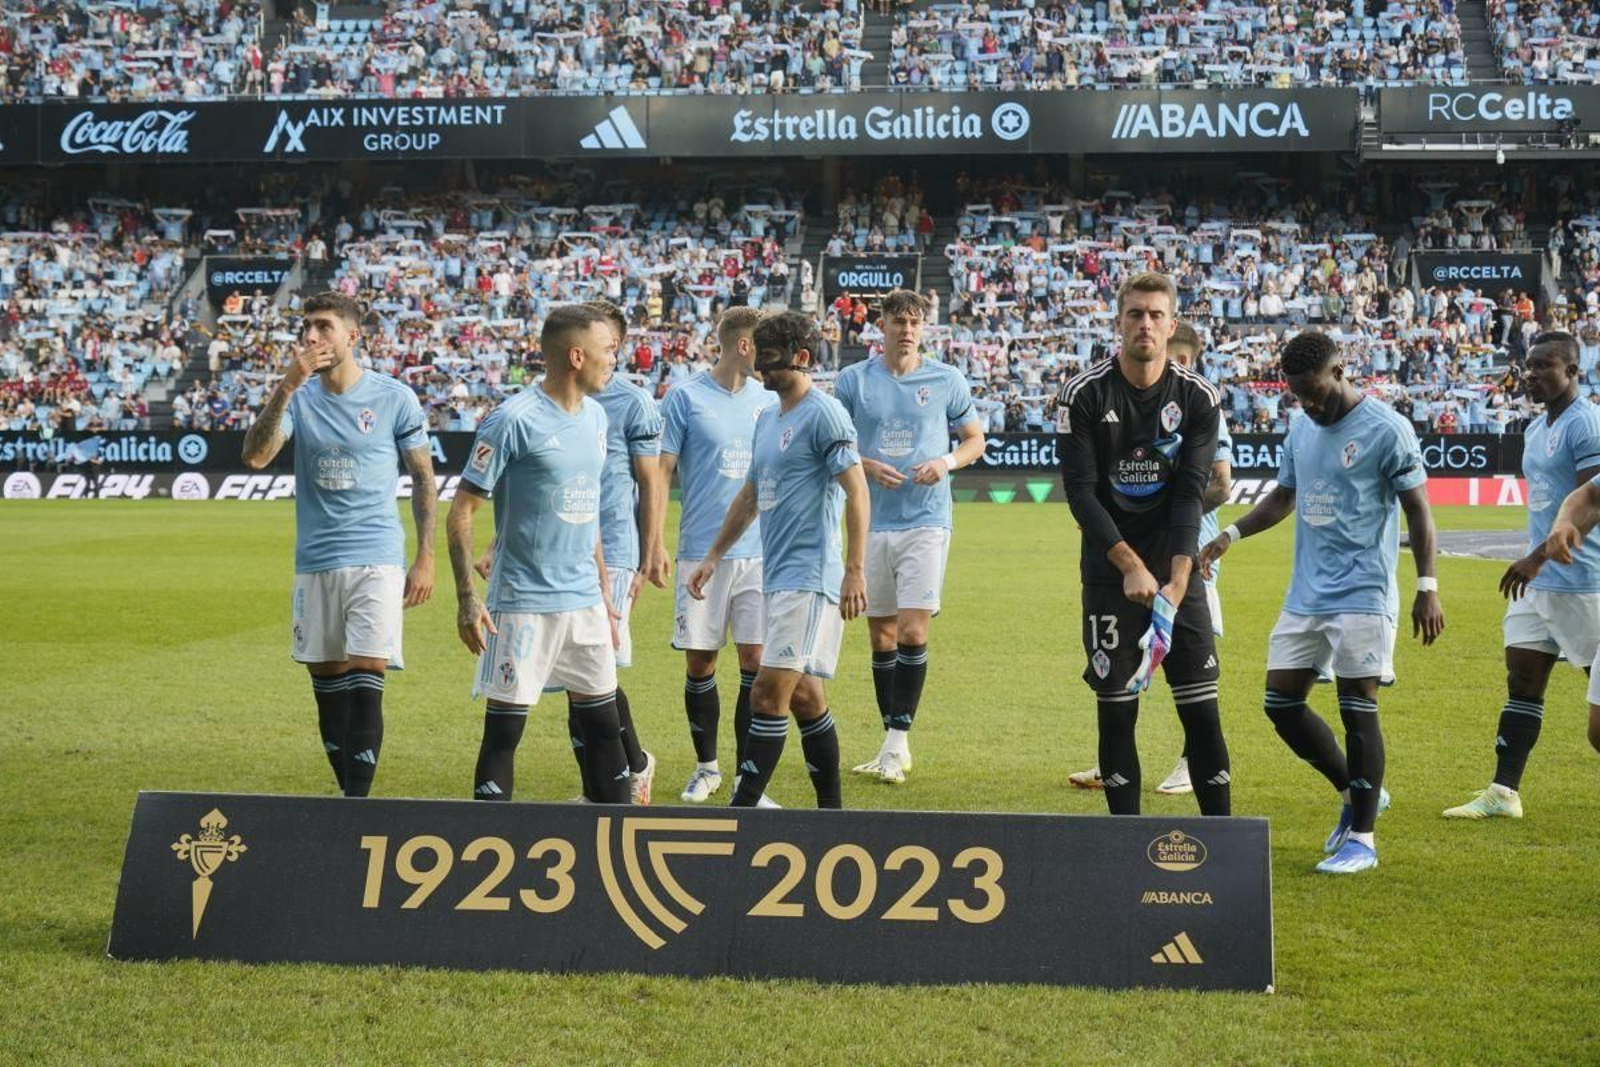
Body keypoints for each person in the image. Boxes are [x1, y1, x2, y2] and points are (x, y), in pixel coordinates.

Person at [1201, 329, 1445, 874]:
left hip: (1363, 590)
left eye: (1313, 391)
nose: (1307, 403)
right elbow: (1285, 495)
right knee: (1280, 704)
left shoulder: (1387, 429)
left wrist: (1428, 586)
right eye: (1296, 394)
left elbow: (1419, 511)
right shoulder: (1299, 428)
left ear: (1340, 371)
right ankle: (1356, 791)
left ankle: (1363, 838)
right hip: (1306, 592)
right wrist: (1230, 536)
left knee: (1358, 707)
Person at [241, 291, 437, 798]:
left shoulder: (394, 398)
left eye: (324, 326)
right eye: (306, 326)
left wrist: (426, 556)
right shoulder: (299, 398)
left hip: (377, 557)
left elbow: (422, 478)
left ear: (353, 336)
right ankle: (350, 798)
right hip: (316, 561)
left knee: (368, 671)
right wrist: (286, 387)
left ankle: (357, 805)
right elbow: (257, 458)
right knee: (328, 686)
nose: (311, 336)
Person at [1057, 272, 1232, 819]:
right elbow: (1082, 496)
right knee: (1116, 711)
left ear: (1171, 324)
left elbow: (1190, 496)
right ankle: (1125, 842)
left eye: (1156, 315)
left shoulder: (1198, 397)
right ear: (1119, 321)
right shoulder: (1083, 394)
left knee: (1201, 712)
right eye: (1135, 314)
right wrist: (1130, 565)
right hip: (1112, 573)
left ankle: (1223, 845)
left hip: (1178, 572)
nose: (1146, 325)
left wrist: (1179, 578)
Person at [447, 304, 631, 804]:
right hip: (523, 605)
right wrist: (468, 599)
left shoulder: (596, 417)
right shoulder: (512, 421)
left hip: (585, 606)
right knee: (504, 735)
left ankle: (615, 851)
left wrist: (604, 595)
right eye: (607, 351)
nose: (614, 359)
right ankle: (485, 856)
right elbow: (461, 513)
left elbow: (586, 507)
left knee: (604, 730)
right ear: (576, 356)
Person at [688, 311, 870, 809]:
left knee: (766, 695)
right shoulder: (768, 418)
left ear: (802, 358)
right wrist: (713, 556)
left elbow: (857, 492)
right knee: (806, 698)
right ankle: (831, 814)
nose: (759, 372)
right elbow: (751, 494)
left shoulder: (825, 413)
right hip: (779, 576)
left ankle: (741, 811)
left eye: (769, 361)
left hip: (810, 577)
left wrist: (855, 570)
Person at [1446, 333, 1600, 819]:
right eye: (1528, 366)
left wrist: (1536, 559)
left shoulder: (1587, 424)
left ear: (1573, 371)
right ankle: (1503, 792)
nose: (1531, 374)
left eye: (1544, 366)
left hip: (1584, 580)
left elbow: (1590, 506)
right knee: (1523, 678)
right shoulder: (1537, 428)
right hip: (1538, 587)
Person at [834, 288, 984, 784]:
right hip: (871, 521)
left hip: (925, 520)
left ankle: (897, 743)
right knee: (880, 636)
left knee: (913, 632)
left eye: (915, 321)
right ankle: (889, 741)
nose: (907, 329)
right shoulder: (855, 380)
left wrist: (944, 463)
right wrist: (864, 464)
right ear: (882, 326)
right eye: (899, 320)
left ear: (925, 327)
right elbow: (836, 441)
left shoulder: (946, 379)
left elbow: (974, 440)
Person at [658, 307, 776, 804]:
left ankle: (744, 781)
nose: (771, 358)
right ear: (743, 345)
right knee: (701, 663)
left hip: (760, 552)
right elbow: (661, 472)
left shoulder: (769, 401)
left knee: (755, 660)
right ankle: (706, 766)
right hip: (698, 551)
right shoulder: (684, 398)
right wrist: (655, 544)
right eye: (763, 347)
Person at [585, 300, 668, 804]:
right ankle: (604, 784)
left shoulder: (633, 403)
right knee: (580, 676)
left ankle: (631, 769)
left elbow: (651, 480)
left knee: (598, 670)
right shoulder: (556, 398)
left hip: (614, 550)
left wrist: (650, 550)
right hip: (559, 553)